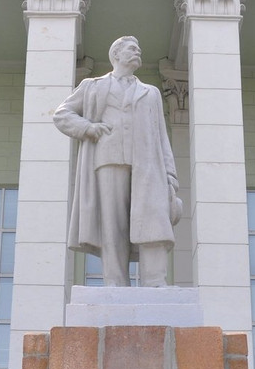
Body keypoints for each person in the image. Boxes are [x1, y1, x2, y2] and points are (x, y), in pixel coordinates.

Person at [53, 36, 181, 287]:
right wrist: (88, 128)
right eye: (132, 49)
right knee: (113, 225)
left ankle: (155, 281)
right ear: (116, 55)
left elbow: (161, 137)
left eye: (139, 49)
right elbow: (62, 115)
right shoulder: (93, 86)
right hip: (108, 160)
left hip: (147, 164)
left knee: (153, 219)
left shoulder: (151, 93)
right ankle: (115, 283)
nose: (138, 52)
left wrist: (170, 176)